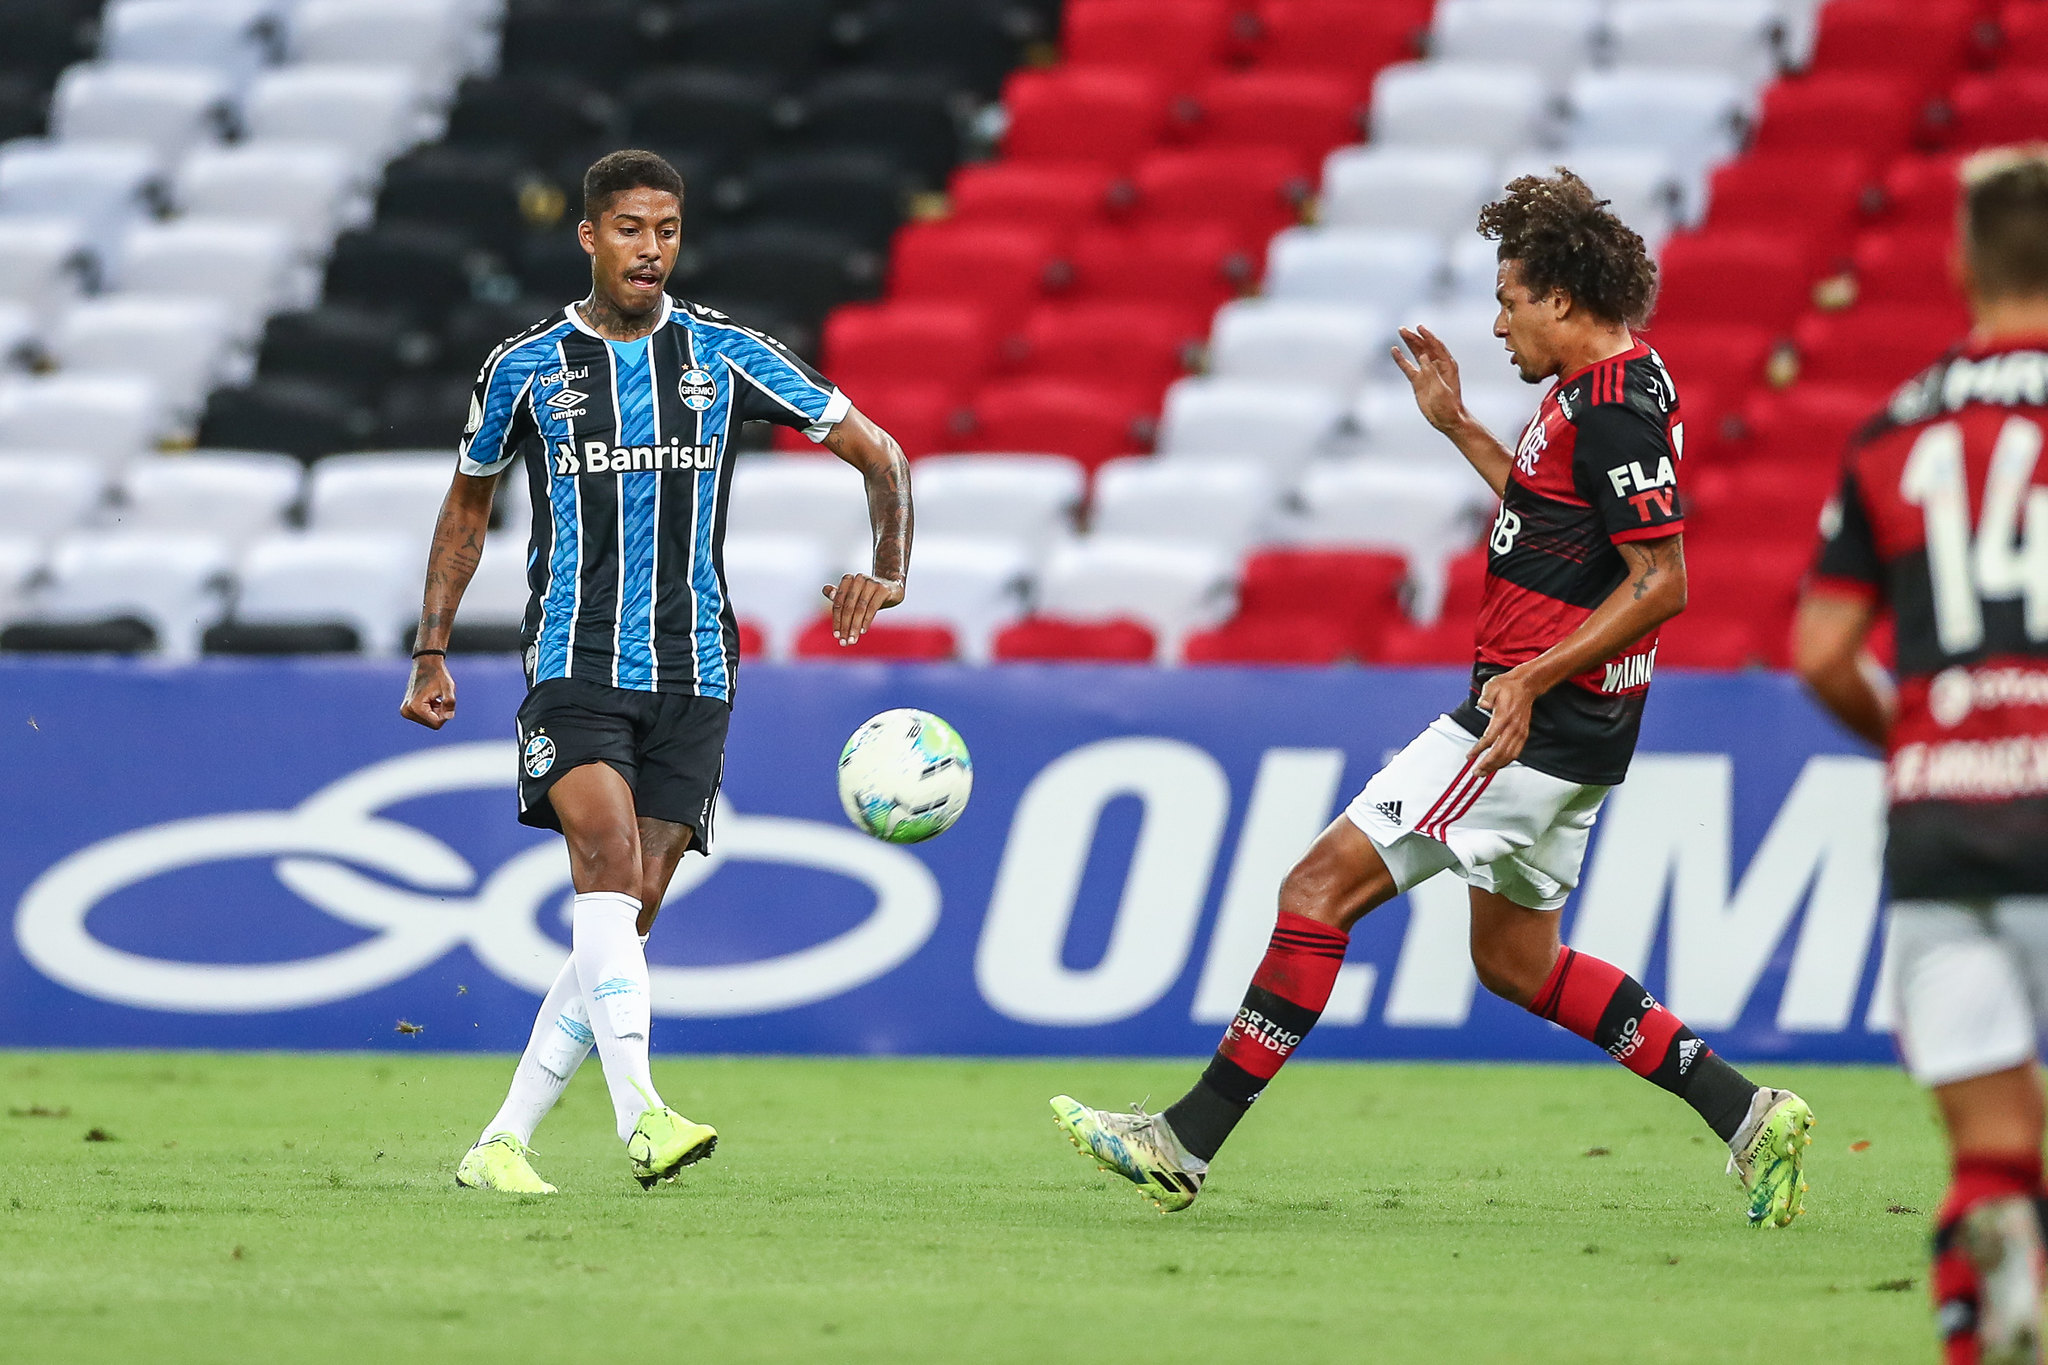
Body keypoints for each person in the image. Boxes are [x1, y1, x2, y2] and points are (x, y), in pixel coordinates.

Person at [1051, 170, 1813, 1227]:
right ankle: (1746, 1114)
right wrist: (1457, 427)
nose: (1497, 323)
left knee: (1314, 892)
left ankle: (1183, 1141)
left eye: (1507, 299)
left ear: (1559, 298)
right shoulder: (1607, 390)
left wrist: (1528, 680)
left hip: (1523, 729)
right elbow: (1563, 524)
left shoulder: (1610, 413)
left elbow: (1663, 583)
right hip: (1567, 734)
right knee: (1514, 962)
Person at [399, 149, 912, 1193]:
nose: (650, 249)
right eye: (629, 229)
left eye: (666, 230)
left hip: (695, 673)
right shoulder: (524, 368)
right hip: (573, 661)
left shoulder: (723, 355)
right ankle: (643, 1117)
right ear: (588, 237)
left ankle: (501, 1143)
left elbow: (879, 453)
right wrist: (432, 648)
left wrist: (888, 573)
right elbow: (466, 510)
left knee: (624, 920)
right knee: (602, 846)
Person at [1795, 146, 2048, 1365]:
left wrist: (1926, 737)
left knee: (1992, 1152)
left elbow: (1823, 649)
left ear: (1956, 264)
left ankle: (1997, 1277)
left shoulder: (1892, 431)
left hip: (1941, 822)